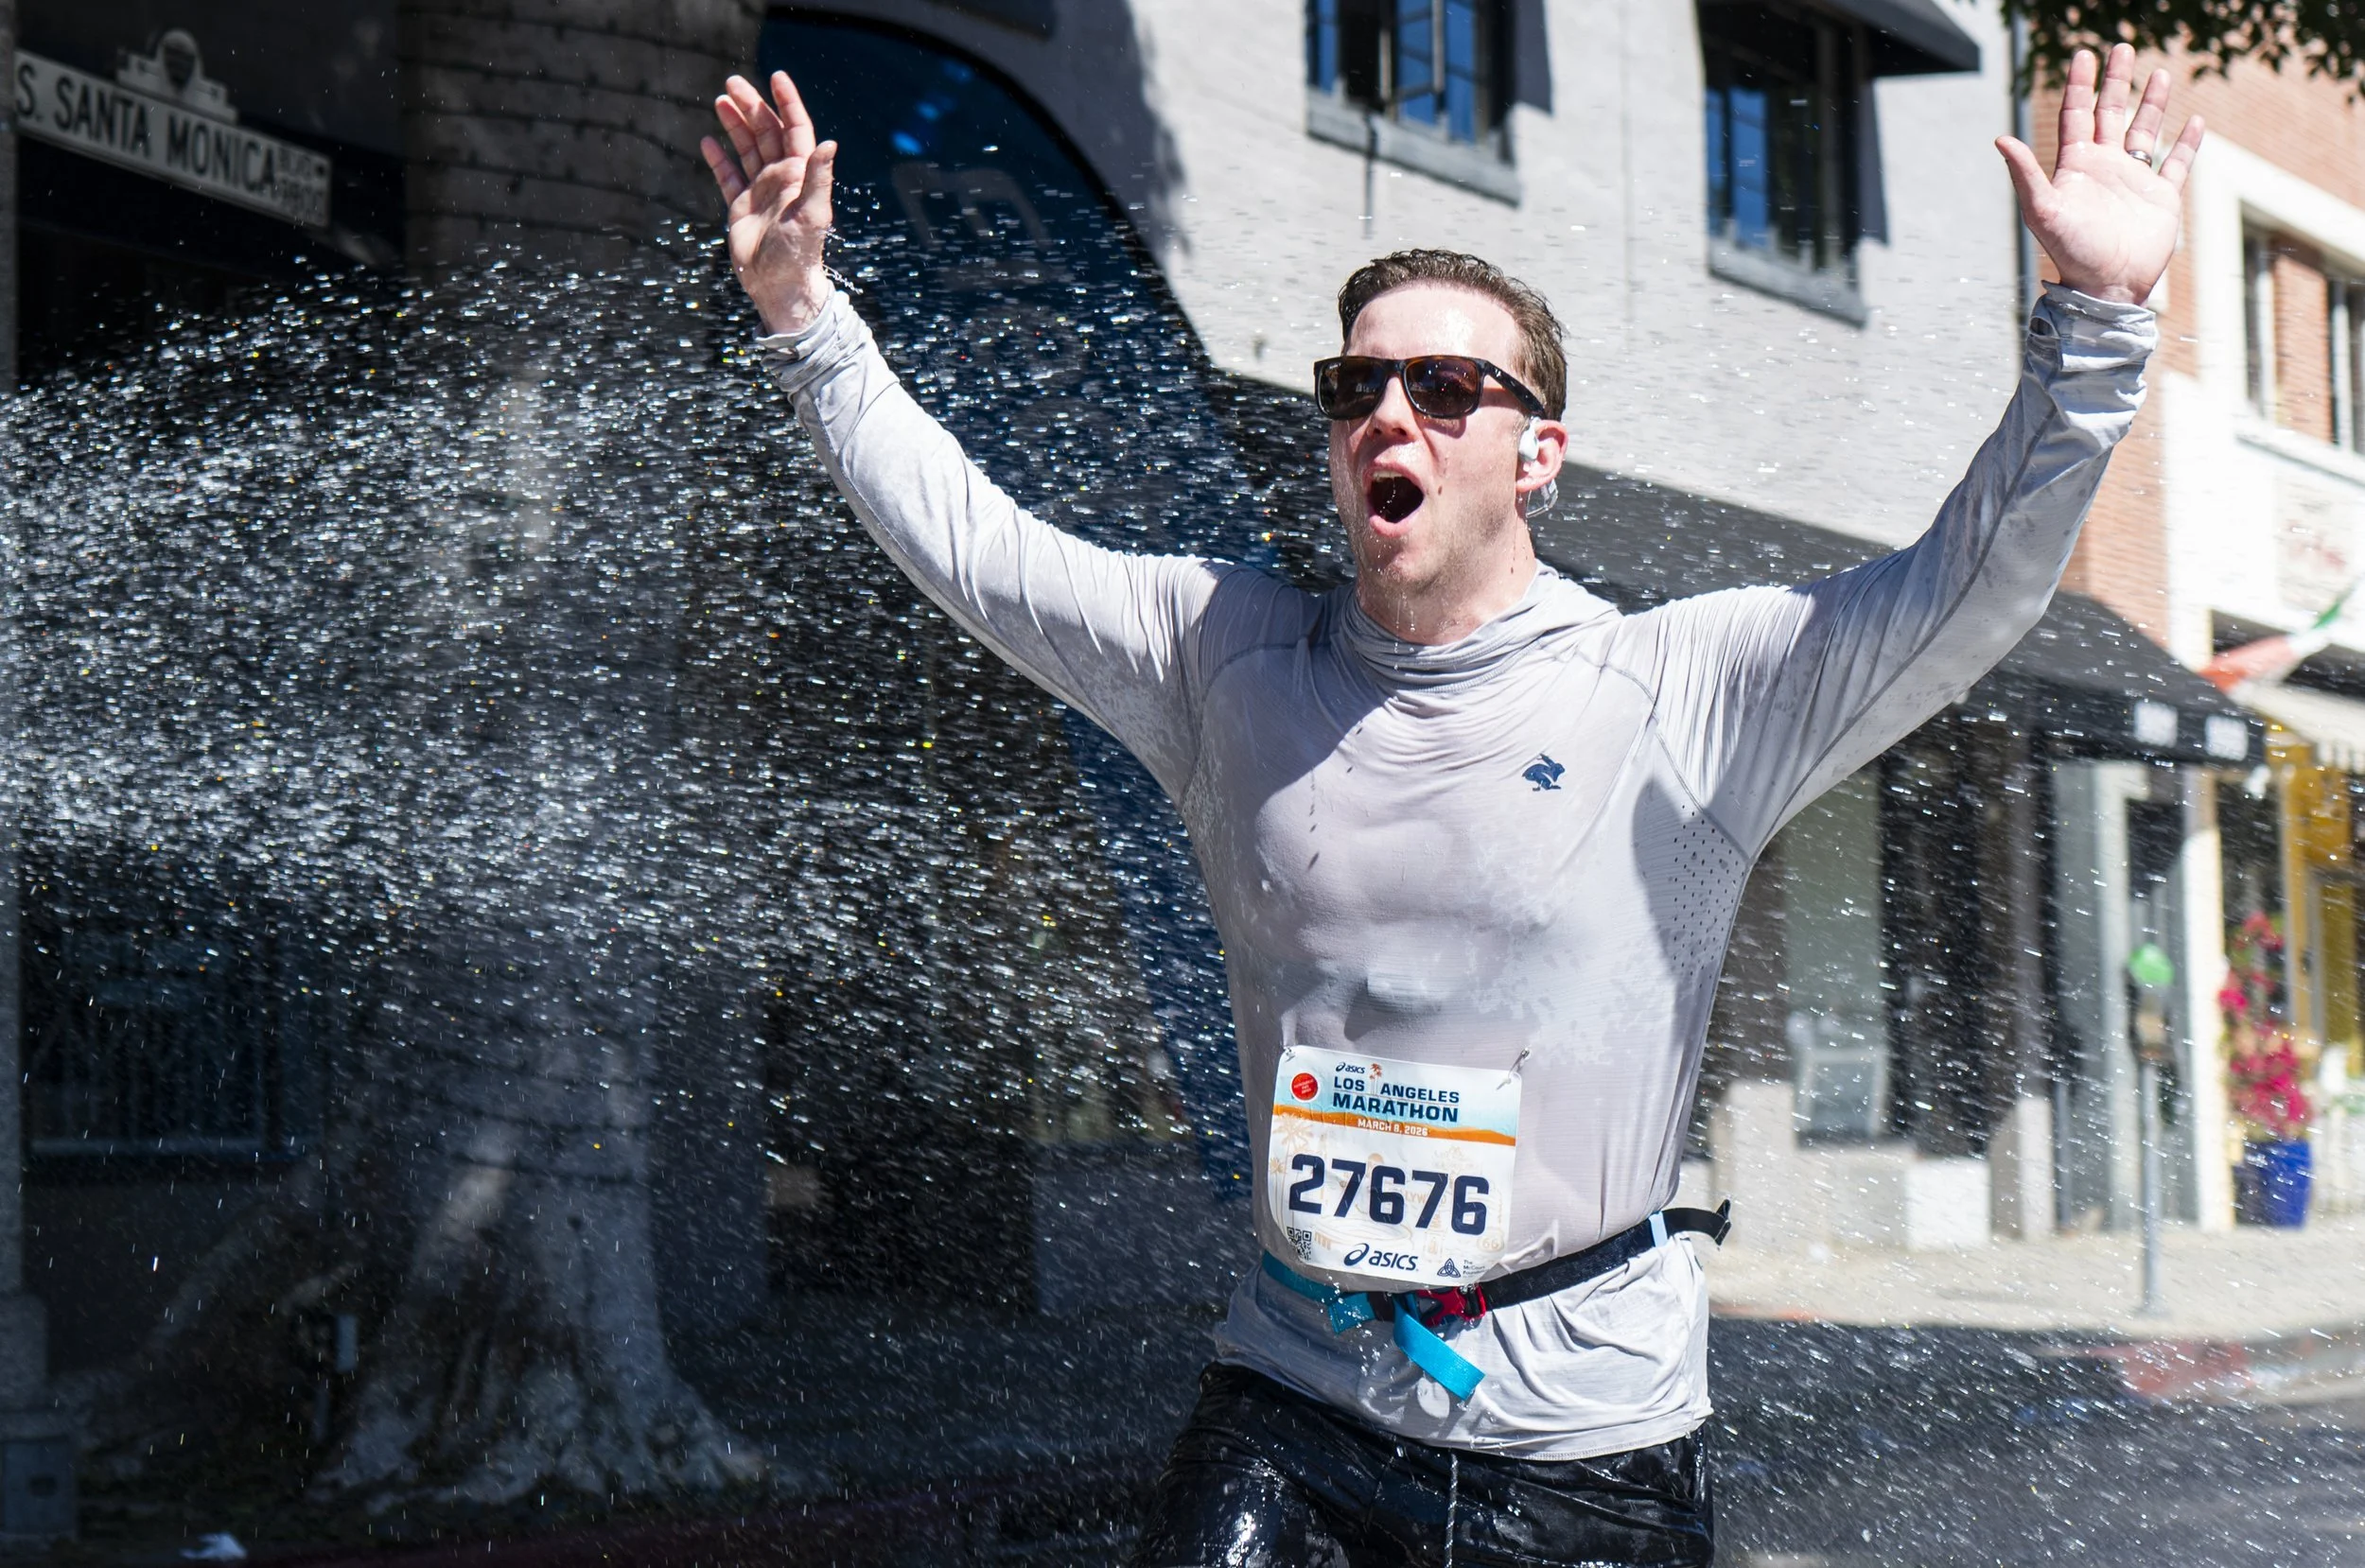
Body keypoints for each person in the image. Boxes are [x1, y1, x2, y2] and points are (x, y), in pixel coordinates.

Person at [702, 44, 2200, 1568]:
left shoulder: (1679, 687)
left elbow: (1967, 585)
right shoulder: (1227, 654)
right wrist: (807, 320)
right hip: (1293, 1386)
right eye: (1357, 384)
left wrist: (2095, 326)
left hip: (1577, 1440)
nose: (1388, 413)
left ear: (1539, 452)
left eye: (1444, 385)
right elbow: (976, 544)